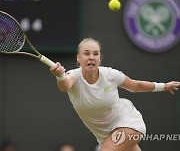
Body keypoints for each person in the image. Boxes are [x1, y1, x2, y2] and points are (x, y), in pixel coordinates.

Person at [50, 38, 180, 151]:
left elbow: (135, 86)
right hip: (106, 136)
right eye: (86, 53)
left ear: (99, 58)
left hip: (128, 123)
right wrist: (60, 77)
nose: (91, 57)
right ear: (78, 58)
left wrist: (164, 86)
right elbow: (65, 86)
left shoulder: (111, 75)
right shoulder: (73, 76)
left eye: (96, 54)